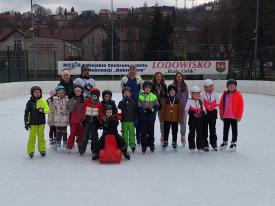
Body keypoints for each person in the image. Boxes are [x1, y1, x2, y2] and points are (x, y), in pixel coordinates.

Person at [24, 86, 49, 158]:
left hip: (41, 123)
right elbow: (26, 113)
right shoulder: (29, 102)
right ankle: (30, 151)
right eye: (35, 92)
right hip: (33, 123)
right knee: (32, 137)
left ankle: (42, 150)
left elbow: (47, 110)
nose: (37, 93)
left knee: (41, 137)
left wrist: (43, 110)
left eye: (39, 92)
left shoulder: (43, 101)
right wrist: (26, 122)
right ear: (32, 93)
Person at [120, 65, 143, 145]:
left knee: (137, 121)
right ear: (128, 70)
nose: (132, 70)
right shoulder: (124, 79)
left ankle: (138, 138)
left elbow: (141, 90)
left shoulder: (139, 79)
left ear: (136, 70)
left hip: (136, 103)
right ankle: (125, 140)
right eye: (131, 69)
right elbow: (122, 90)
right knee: (127, 121)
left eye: (134, 69)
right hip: (126, 104)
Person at [219, 79, 244, 152]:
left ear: (236, 86)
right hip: (226, 116)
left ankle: (233, 143)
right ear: (227, 86)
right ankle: (225, 142)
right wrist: (221, 114)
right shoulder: (224, 94)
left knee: (234, 130)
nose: (232, 87)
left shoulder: (238, 95)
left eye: (233, 86)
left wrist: (239, 116)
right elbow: (221, 105)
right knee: (225, 130)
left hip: (234, 116)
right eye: (230, 86)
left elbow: (241, 106)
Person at [79, 87, 103, 155]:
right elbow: (83, 110)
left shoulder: (99, 104)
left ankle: (94, 149)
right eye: (93, 96)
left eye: (96, 96)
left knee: (94, 136)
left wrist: (100, 123)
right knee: (85, 135)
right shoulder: (86, 102)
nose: (94, 97)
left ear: (98, 97)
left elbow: (100, 114)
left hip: (95, 121)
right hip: (87, 120)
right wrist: (82, 119)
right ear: (91, 96)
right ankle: (82, 149)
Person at [138, 81, 159, 154]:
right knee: (143, 133)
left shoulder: (154, 96)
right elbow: (139, 107)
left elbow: (157, 106)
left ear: (151, 89)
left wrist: (152, 110)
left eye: (149, 88)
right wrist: (143, 111)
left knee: (151, 132)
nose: (147, 89)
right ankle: (144, 145)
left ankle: (151, 144)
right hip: (143, 118)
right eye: (146, 87)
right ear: (144, 88)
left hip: (151, 118)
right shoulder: (140, 96)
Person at [160, 84, 182, 150]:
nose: (172, 93)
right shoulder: (166, 100)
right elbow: (162, 109)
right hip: (167, 118)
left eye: (173, 92)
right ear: (168, 92)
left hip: (175, 119)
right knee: (166, 130)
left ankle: (174, 142)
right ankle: (165, 141)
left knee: (175, 131)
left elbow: (180, 110)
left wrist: (179, 119)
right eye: (171, 92)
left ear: (175, 93)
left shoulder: (178, 100)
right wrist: (162, 118)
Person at [185, 86, 205, 153]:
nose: (196, 95)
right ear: (191, 94)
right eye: (194, 94)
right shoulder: (189, 101)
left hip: (200, 120)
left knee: (200, 133)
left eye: (197, 94)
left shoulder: (200, 101)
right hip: (192, 120)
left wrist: (202, 113)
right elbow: (186, 110)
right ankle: (192, 147)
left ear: (199, 94)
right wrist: (191, 112)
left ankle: (200, 147)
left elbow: (203, 110)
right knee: (192, 133)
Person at [118, 87, 137, 152]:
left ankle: (132, 145)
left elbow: (135, 111)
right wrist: (124, 100)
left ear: (130, 94)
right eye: (125, 93)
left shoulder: (133, 102)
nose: (126, 94)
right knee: (124, 134)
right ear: (123, 94)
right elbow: (119, 106)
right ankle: (125, 145)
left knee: (132, 133)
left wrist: (135, 120)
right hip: (124, 121)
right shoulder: (122, 101)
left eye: (128, 93)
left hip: (131, 121)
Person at [202, 79, 220, 152]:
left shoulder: (215, 95)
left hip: (213, 114)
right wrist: (204, 111)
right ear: (204, 87)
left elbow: (218, 104)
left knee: (213, 129)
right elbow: (201, 104)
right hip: (205, 114)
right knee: (204, 129)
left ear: (212, 86)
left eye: (210, 86)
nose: (208, 88)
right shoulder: (202, 95)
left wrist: (215, 111)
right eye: (206, 87)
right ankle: (205, 144)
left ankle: (213, 143)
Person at [66, 86, 85, 152]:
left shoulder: (83, 100)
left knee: (80, 134)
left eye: (79, 91)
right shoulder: (72, 99)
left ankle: (80, 146)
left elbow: (85, 109)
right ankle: (69, 147)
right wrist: (73, 104)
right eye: (76, 91)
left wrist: (83, 118)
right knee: (72, 134)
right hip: (73, 120)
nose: (78, 92)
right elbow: (70, 110)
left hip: (81, 121)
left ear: (81, 92)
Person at [52, 85, 70, 151]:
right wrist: (56, 111)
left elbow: (69, 108)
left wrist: (66, 111)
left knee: (64, 131)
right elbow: (52, 108)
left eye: (62, 92)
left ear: (64, 92)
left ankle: (65, 142)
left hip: (65, 118)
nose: (61, 94)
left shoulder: (67, 99)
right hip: (57, 118)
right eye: (59, 92)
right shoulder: (54, 99)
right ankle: (58, 142)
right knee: (58, 131)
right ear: (57, 93)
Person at [173, 72, 189, 147]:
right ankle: (174, 138)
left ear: (182, 77)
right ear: (175, 77)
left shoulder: (185, 85)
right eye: (177, 76)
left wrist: (187, 106)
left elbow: (187, 96)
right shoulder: (172, 85)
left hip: (183, 107)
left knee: (183, 122)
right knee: (175, 122)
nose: (179, 77)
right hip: (175, 106)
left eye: (180, 76)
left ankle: (183, 137)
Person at [151, 72, 167, 144]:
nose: (158, 78)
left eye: (160, 76)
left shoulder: (164, 86)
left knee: (162, 122)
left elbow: (166, 96)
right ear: (155, 77)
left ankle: (163, 137)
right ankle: (151, 137)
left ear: (162, 77)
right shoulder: (151, 85)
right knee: (151, 122)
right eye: (157, 76)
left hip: (162, 106)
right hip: (154, 106)